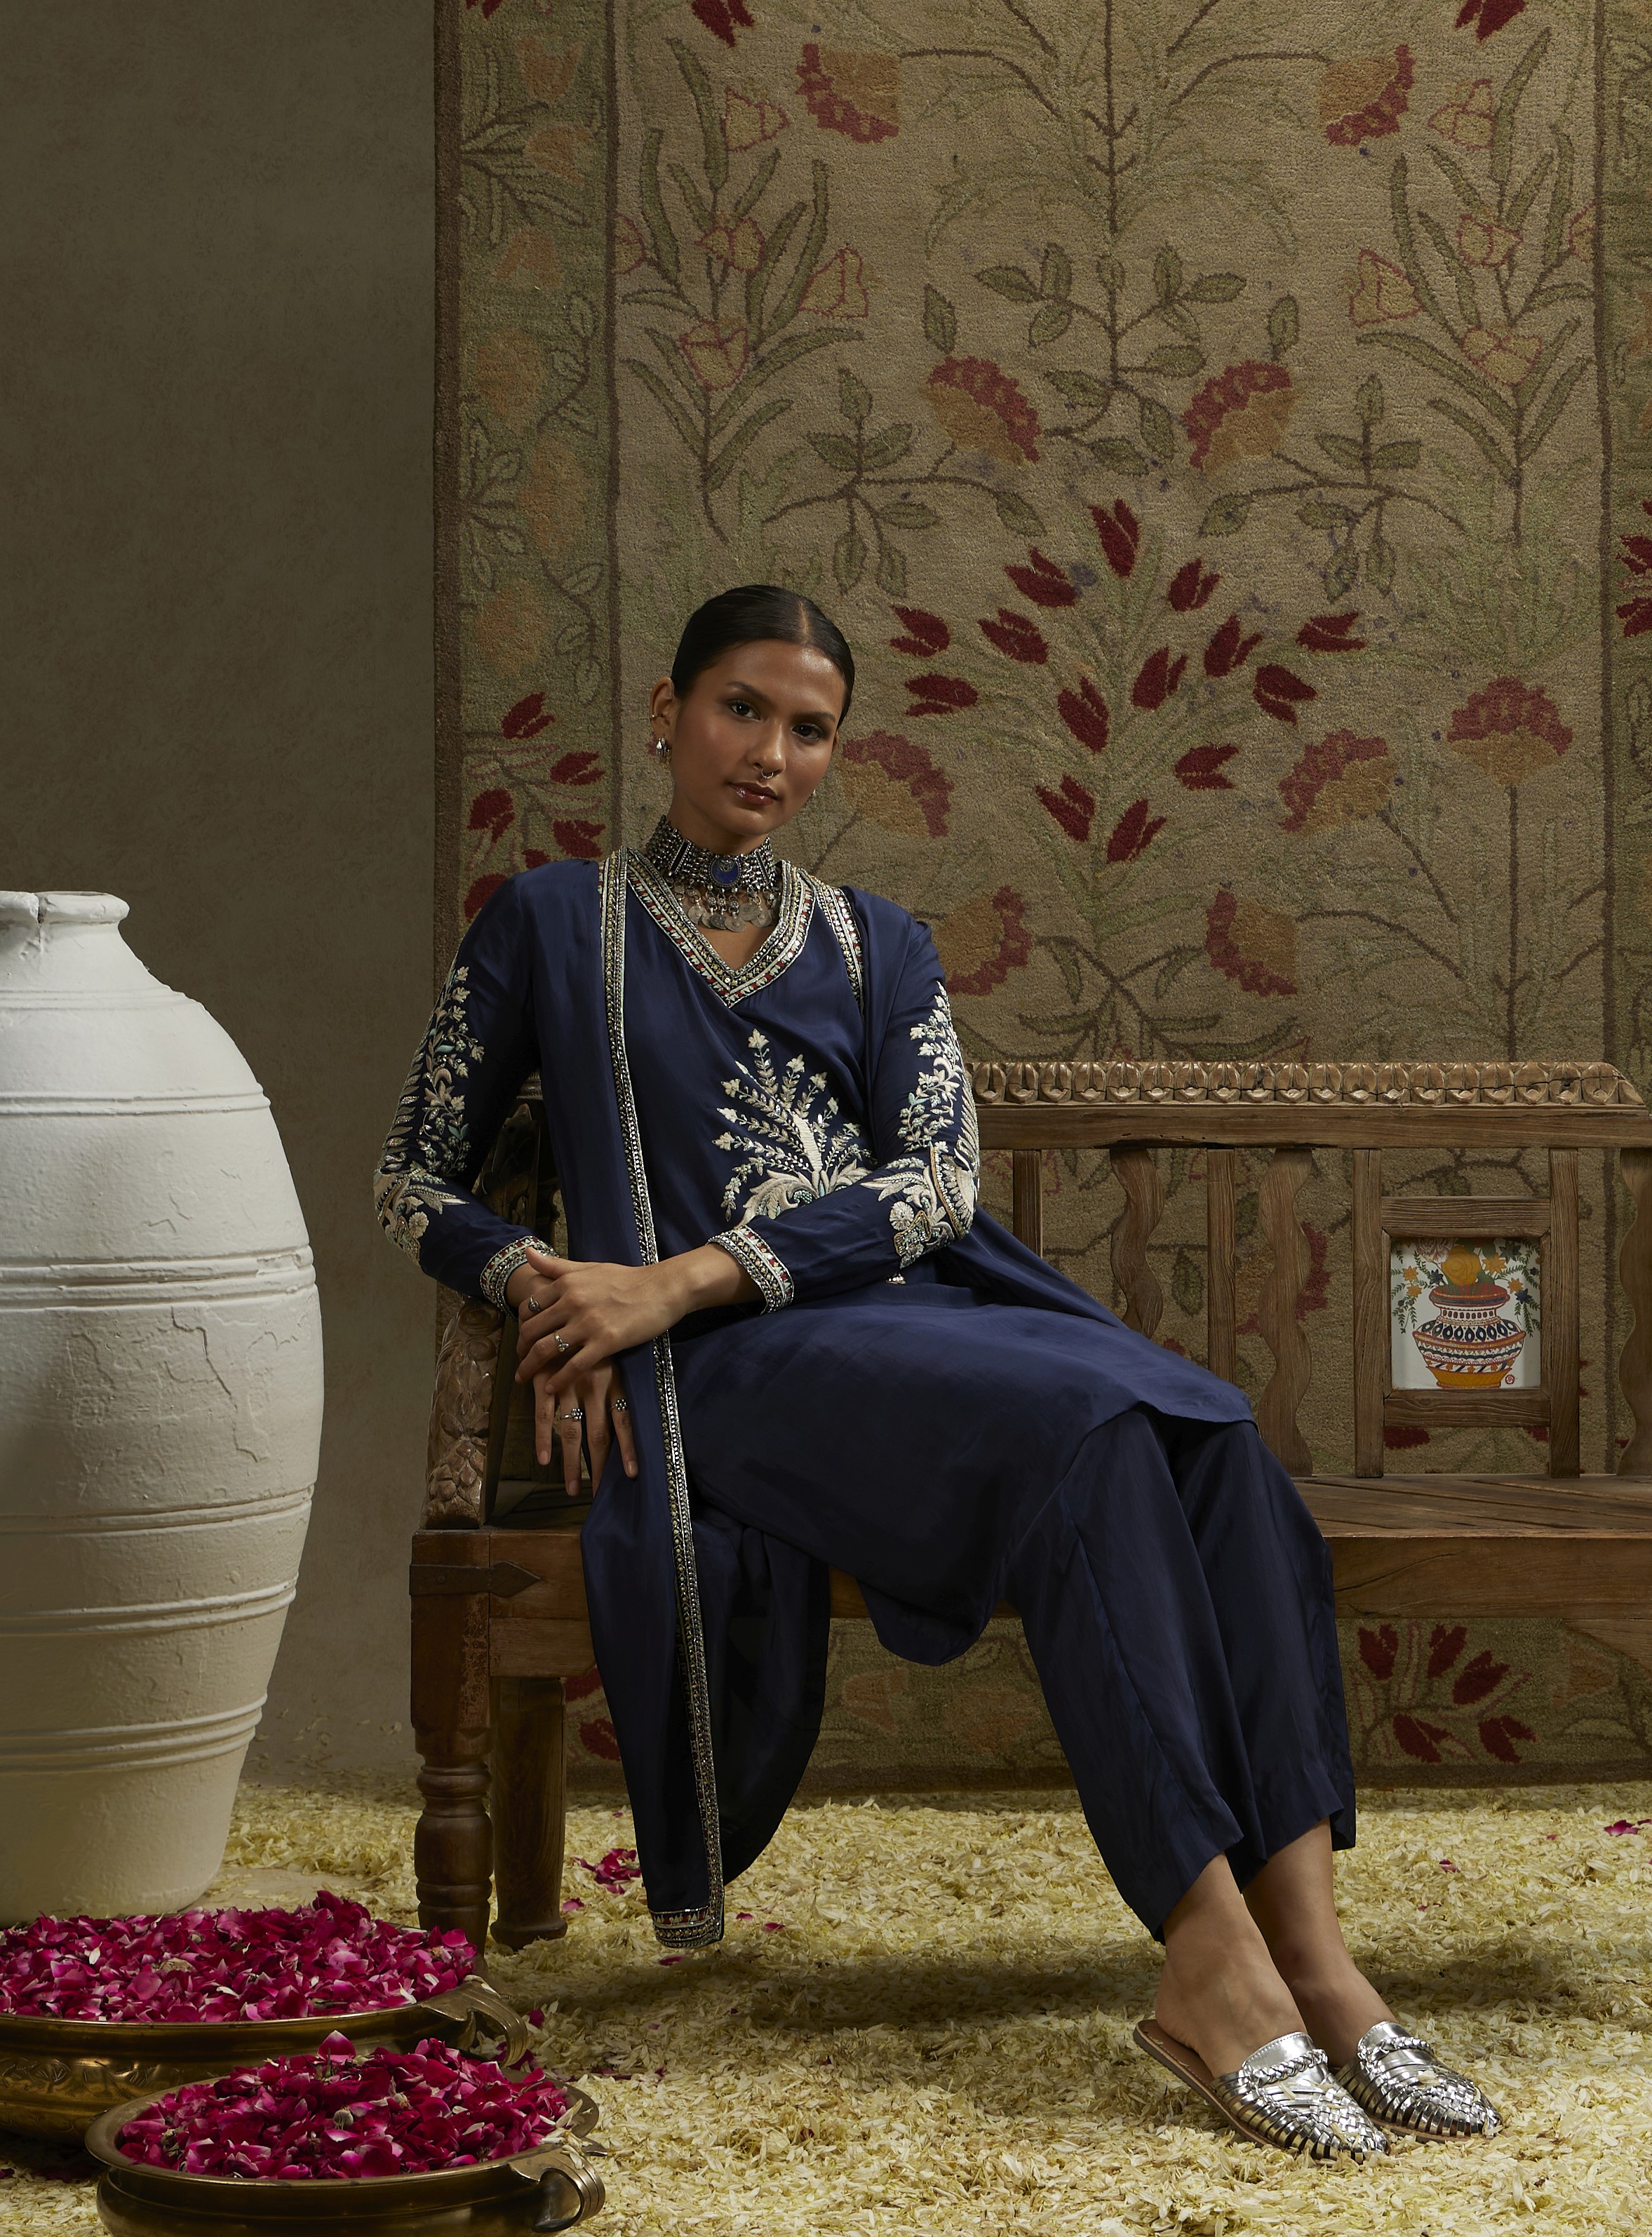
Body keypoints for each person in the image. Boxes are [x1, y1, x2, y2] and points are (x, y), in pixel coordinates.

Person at [376, 585, 1497, 2158]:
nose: (771, 752)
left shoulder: (876, 943)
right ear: (665, 711)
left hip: (901, 1320)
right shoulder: (553, 922)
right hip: (726, 1377)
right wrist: (542, 1278)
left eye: (809, 727)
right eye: (740, 710)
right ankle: (1210, 1962)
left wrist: (681, 1269)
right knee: (1089, 1432)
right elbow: (415, 1178)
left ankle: (1317, 1956)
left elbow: (930, 1188)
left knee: (1211, 1432)